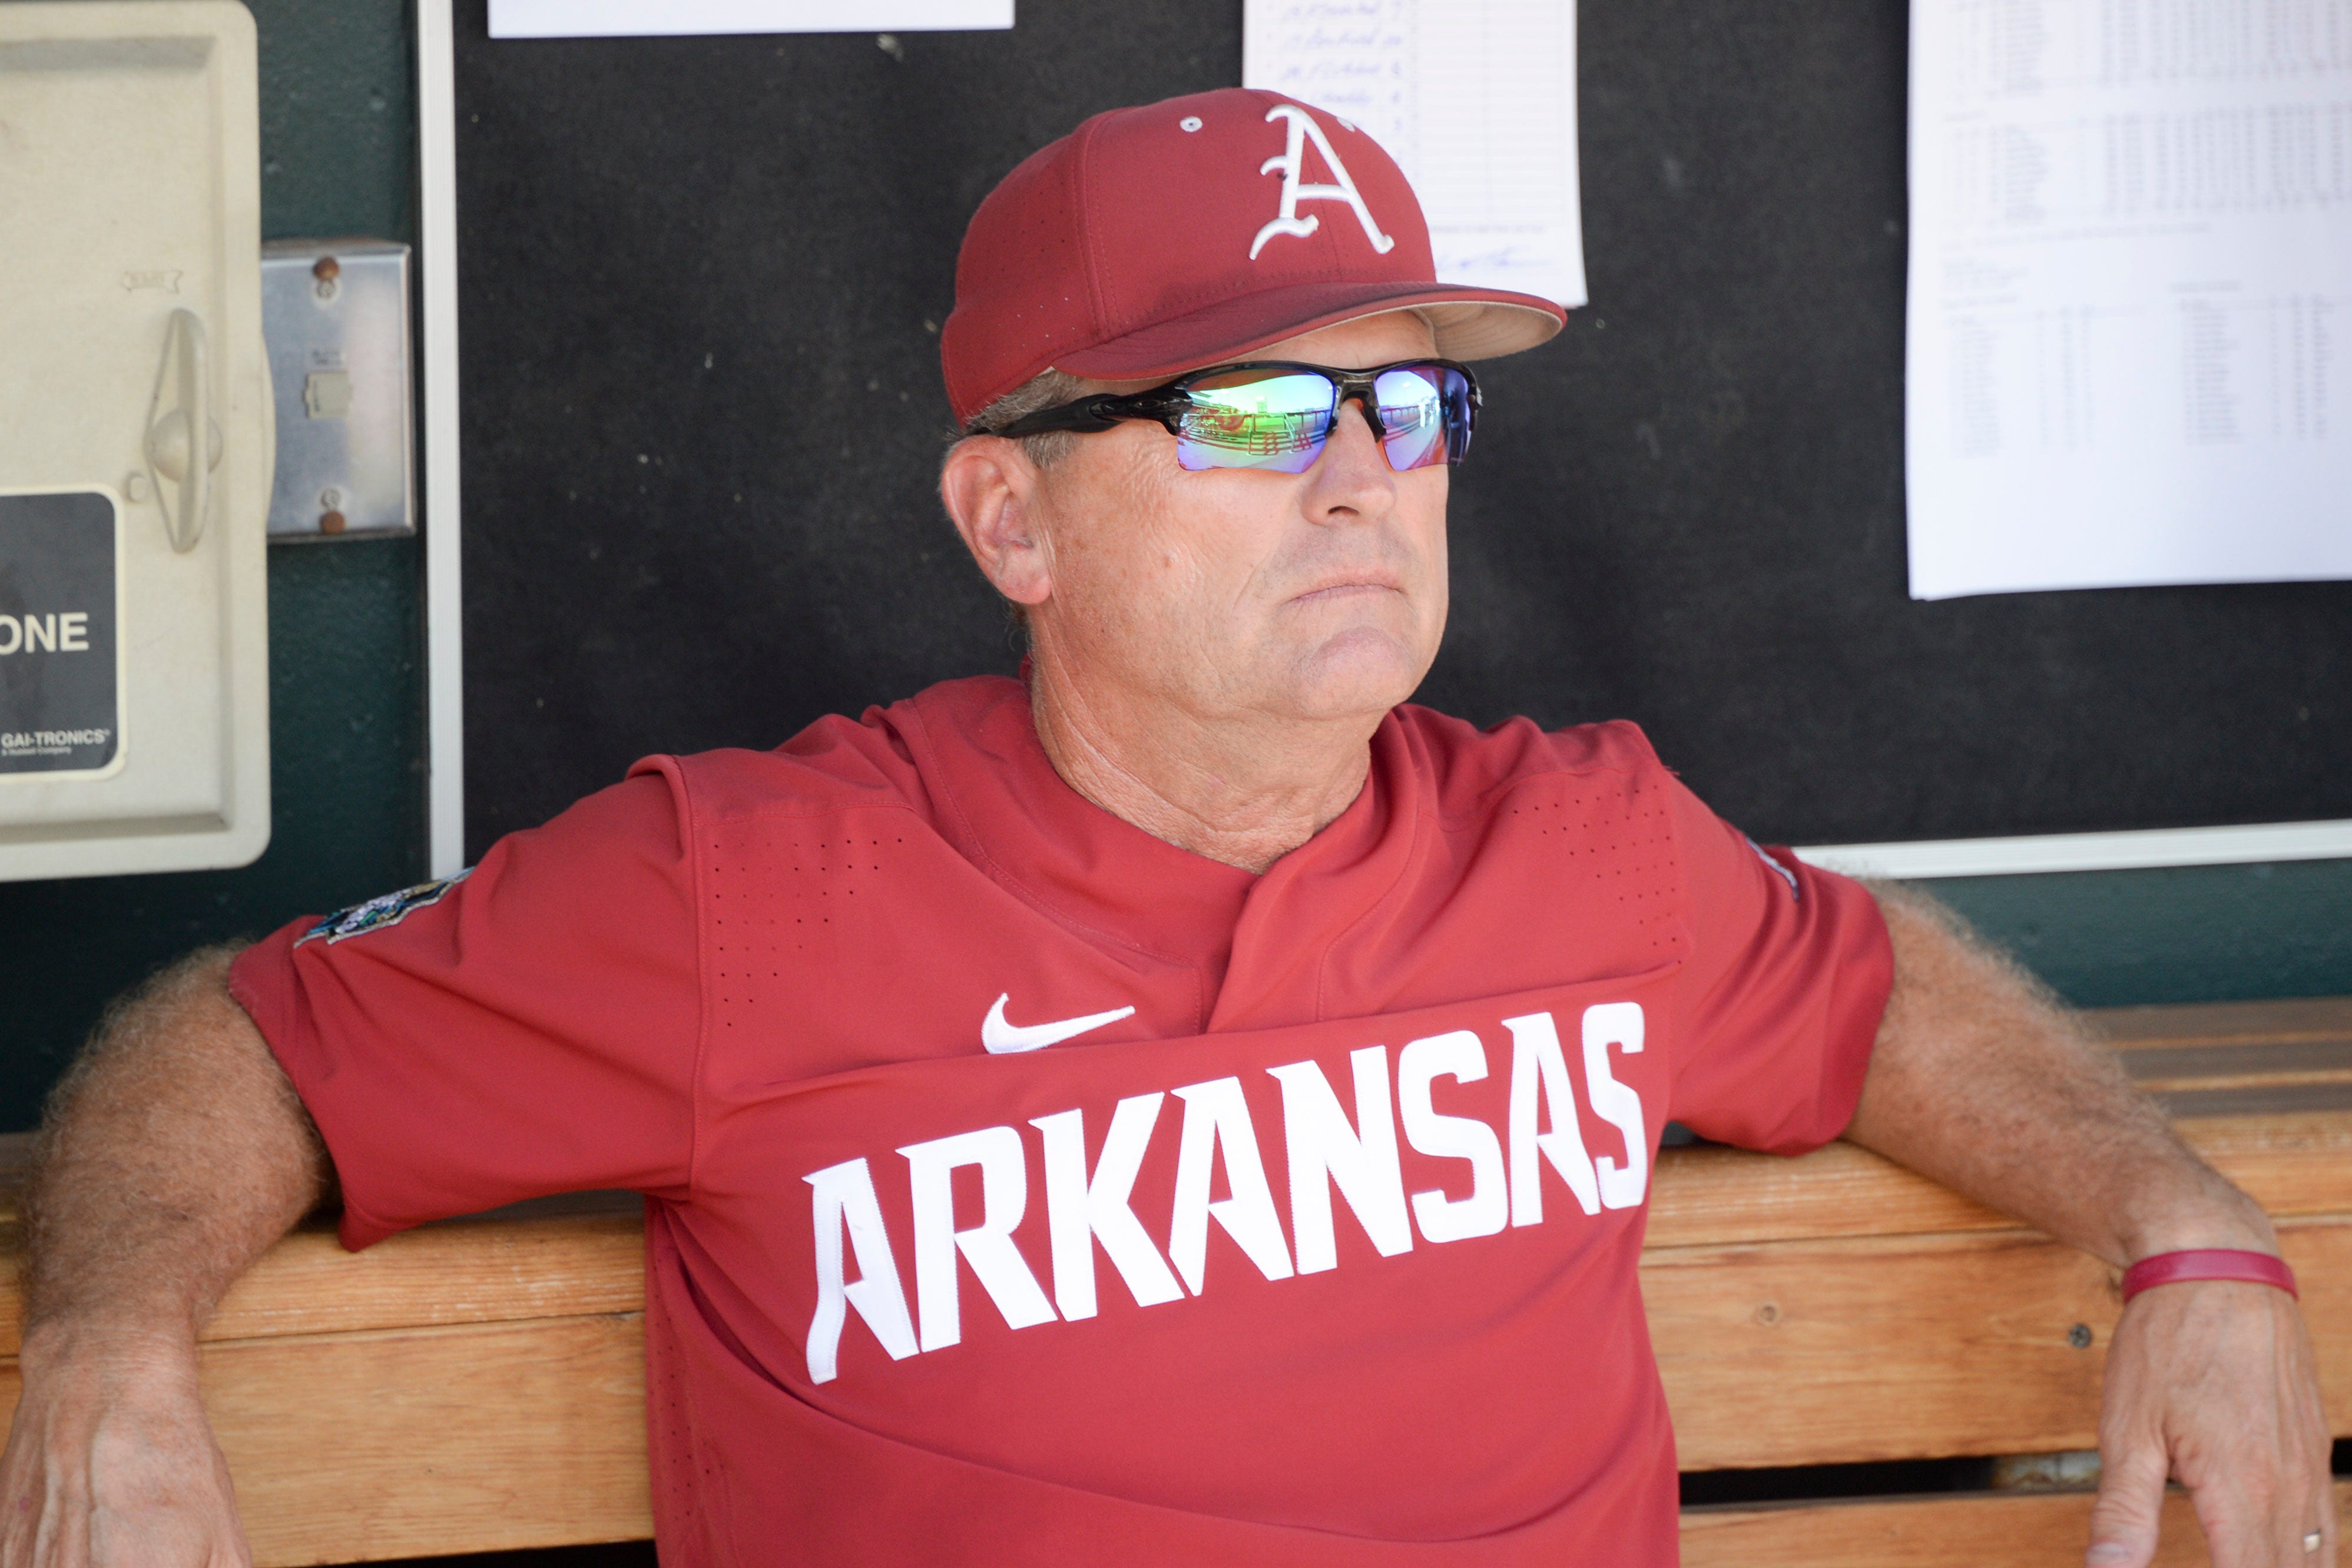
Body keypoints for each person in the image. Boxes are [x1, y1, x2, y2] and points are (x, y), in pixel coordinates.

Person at [0, 87, 2330, 1568]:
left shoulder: (1585, 852)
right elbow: (245, 1049)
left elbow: (1875, 990)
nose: (1354, 475)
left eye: (1405, 404)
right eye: (1241, 409)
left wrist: (2191, 1231)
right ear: (1008, 517)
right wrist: (111, 1353)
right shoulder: (748, 893)